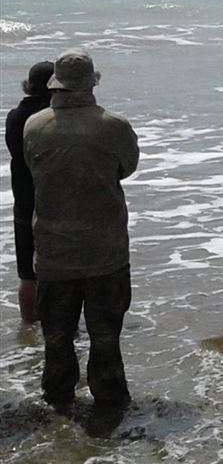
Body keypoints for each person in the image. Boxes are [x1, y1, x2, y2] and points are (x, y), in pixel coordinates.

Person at [23, 49, 139, 408]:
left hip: (54, 251)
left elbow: (32, 170)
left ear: (56, 84)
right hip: (105, 251)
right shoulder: (113, 126)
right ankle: (109, 403)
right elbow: (128, 167)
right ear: (92, 83)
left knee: (56, 338)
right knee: (106, 339)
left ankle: (58, 402)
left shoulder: (34, 126)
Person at [5, 60, 54, 324]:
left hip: (23, 198)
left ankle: (27, 326)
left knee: (27, 273)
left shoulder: (15, 116)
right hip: (53, 200)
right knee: (56, 270)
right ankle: (55, 323)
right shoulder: (53, 118)